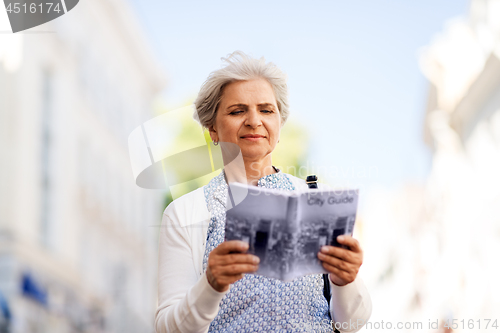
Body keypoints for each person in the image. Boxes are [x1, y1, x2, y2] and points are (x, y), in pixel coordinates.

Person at [155, 51, 372, 333]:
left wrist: (347, 279)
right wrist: (211, 284)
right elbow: (168, 328)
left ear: (279, 125)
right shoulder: (184, 213)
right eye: (237, 111)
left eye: (266, 110)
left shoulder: (316, 201)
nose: (254, 121)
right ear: (213, 129)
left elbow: (352, 323)